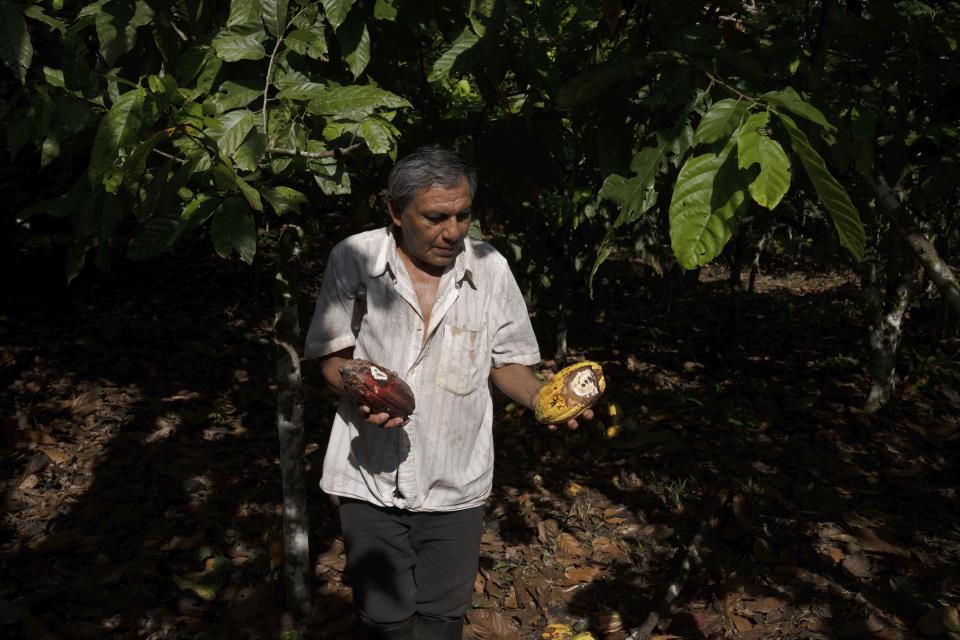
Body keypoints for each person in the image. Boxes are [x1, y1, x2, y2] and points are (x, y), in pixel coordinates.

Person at [304, 146, 590, 640]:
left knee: (442, 615)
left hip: (456, 480)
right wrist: (362, 387)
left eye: (463, 215)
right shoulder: (354, 258)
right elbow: (331, 358)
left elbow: (510, 364)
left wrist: (545, 399)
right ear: (396, 212)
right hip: (369, 477)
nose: (453, 231)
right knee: (384, 619)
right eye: (437, 217)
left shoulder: (490, 267)